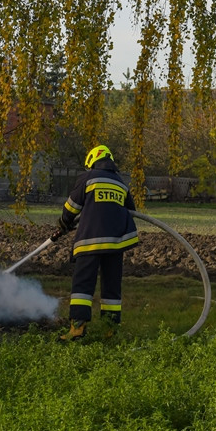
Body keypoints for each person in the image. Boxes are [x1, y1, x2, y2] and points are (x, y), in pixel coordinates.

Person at [50, 145, 139, 340]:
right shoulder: (121, 183)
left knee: (83, 284)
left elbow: (71, 208)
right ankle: (110, 331)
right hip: (115, 244)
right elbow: (131, 210)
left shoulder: (87, 178)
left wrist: (64, 224)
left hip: (89, 241)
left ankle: (77, 330)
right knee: (112, 288)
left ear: (92, 161)